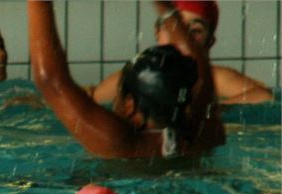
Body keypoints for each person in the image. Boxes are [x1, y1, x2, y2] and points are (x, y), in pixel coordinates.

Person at [28, 0, 224, 160]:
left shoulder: (119, 143)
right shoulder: (205, 133)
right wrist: (165, 8)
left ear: (130, 105)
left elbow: (51, 81)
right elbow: (200, 73)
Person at [90, 0, 273, 105]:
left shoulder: (214, 77)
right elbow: (93, 102)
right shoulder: (135, 75)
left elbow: (263, 96)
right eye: (174, 28)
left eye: (195, 31)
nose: (181, 39)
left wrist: (209, 111)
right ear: (156, 32)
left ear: (209, 43)